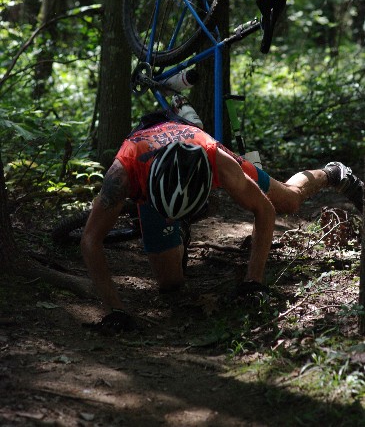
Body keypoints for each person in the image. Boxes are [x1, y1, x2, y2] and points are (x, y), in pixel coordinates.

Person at [81, 110, 363, 332]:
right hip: (152, 169)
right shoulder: (123, 173)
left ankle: (334, 173)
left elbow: (265, 210)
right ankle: (176, 224)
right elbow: (91, 240)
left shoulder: (218, 159)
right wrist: (114, 310)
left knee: (288, 200)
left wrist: (253, 282)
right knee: (170, 283)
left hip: (195, 147)